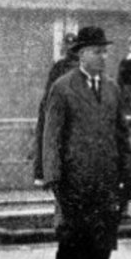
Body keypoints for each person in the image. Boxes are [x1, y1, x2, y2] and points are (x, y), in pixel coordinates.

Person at [43, 26, 131, 259]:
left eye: (105, 51)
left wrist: (129, 173)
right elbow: (52, 136)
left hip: (107, 181)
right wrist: (54, 178)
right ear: (82, 54)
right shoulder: (63, 88)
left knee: (103, 243)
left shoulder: (111, 88)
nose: (103, 57)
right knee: (73, 240)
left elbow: (122, 135)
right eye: (97, 51)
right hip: (75, 180)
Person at [34, 32, 80, 184]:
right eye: (68, 46)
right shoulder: (59, 68)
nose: (70, 49)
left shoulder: (77, 69)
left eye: (73, 46)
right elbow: (49, 96)